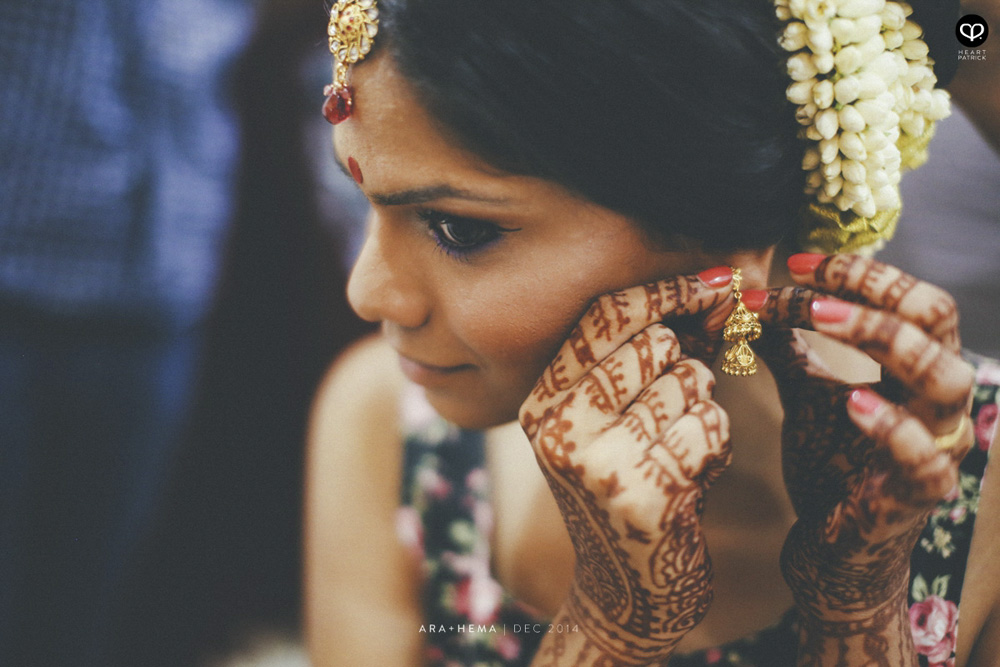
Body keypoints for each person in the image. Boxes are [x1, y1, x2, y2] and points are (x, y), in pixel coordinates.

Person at [303, 0, 1000, 665]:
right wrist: (610, 626)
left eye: (458, 228)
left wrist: (853, 610)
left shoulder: (979, 495)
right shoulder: (387, 423)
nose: (366, 293)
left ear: (728, 242)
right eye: (359, 196)